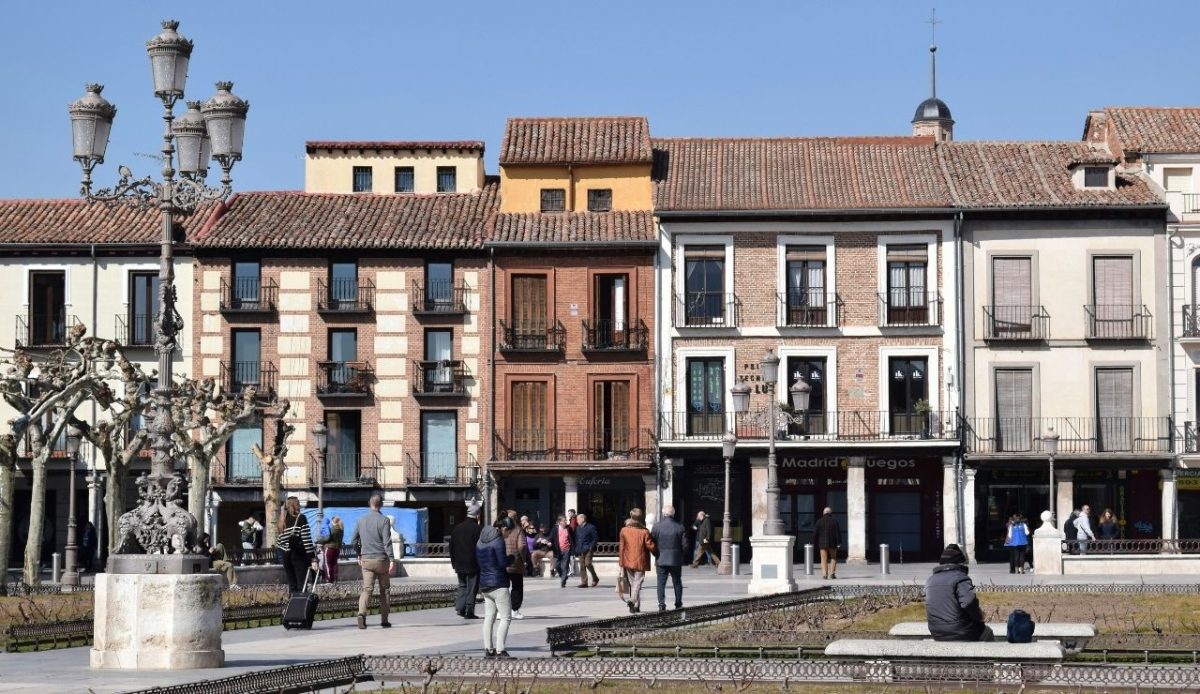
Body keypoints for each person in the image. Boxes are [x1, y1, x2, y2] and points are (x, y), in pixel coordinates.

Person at [925, 543, 992, 642]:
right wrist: (979, 616)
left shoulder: (930, 580)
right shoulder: (962, 578)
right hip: (960, 631)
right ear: (960, 563)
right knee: (988, 633)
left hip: (936, 631)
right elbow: (969, 602)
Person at [348, 493, 395, 629]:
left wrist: (359, 553)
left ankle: (361, 614)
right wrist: (391, 559)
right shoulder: (384, 520)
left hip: (367, 560)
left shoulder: (360, 520)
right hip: (381, 560)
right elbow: (387, 542)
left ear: (370, 504)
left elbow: (353, 540)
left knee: (367, 589)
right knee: (384, 590)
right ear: (381, 505)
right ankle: (384, 620)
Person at [476, 515, 514, 658]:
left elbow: (479, 561)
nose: (508, 535)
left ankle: (488, 649)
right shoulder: (498, 541)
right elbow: (502, 562)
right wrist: (512, 558)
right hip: (498, 583)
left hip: (485, 583)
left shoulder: (480, 540)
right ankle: (500, 650)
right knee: (505, 617)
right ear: (503, 528)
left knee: (489, 617)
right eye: (508, 532)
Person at [276, 496, 318, 594]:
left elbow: (279, 540)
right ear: (296, 505)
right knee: (301, 585)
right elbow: (306, 540)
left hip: (286, 556)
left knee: (292, 585)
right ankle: (301, 607)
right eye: (298, 503)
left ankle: (292, 607)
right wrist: (313, 558)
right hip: (298, 555)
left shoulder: (282, 520)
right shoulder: (301, 518)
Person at [618, 508, 656, 614]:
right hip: (640, 560)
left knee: (633, 584)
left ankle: (636, 606)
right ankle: (633, 600)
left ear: (631, 517)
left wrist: (621, 562)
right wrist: (657, 552)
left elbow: (621, 547)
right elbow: (650, 545)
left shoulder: (624, 530)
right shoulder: (644, 531)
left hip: (627, 560)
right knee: (637, 582)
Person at [450, 503, 483, 619]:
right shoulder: (478, 529)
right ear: (477, 515)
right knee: (471, 588)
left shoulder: (457, 528)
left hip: (459, 564)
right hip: (473, 564)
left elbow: (451, 547)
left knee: (462, 586)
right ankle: (469, 611)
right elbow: (481, 547)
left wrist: (454, 563)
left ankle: (460, 608)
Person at [650, 504, 686, 611]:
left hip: (661, 558)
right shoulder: (680, 526)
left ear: (663, 513)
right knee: (677, 582)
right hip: (675, 559)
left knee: (661, 583)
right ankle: (678, 603)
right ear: (673, 514)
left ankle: (661, 604)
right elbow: (685, 545)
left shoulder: (656, 526)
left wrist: (656, 554)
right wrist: (681, 555)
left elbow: (652, 543)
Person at [503, 508, 529, 619]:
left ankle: (502, 610)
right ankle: (514, 609)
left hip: (502, 562)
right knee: (517, 587)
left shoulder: (501, 529)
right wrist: (524, 560)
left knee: (503, 587)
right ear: (515, 518)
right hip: (515, 563)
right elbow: (522, 546)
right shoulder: (518, 530)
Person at [812, 507, 841, 580]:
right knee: (833, 557)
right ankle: (832, 574)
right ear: (830, 513)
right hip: (832, 543)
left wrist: (813, 542)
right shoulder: (834, 521)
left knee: (823, 559)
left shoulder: (819, 521)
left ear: (823, 513)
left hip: (822, 544)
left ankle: (824, 574)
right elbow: (838, 533)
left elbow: (815, 533)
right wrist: (839, 543)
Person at [574, 512, 599, 587]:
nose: (577, 520)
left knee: (587, 564)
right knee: (582, 565)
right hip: (580, 549)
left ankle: (595, 578)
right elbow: (577, 538)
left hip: (588, 549)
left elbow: (595, 538)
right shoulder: (578, 528)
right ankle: (584, 582)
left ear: (583, 519)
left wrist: (590, 546)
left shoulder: (591, 527)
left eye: (578, 519)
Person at [552, 515, 574, 588]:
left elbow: (572, 538)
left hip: (566, 550)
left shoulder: (568, 528)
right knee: (556, 565)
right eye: (564, 520)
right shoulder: (555, 529)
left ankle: (563, 581)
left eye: (566, 520)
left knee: (565, 567)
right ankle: (563, 576)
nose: (566, 522)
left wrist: (573, 549)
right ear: (560, 522)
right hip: (557, 550)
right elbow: (551, 537)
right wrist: (548, 541)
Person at [322, 516, 344, 583]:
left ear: (332, 521)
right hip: (337, 549)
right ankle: (334, 579)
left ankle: (328, 579)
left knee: (327, 563)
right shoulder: (341, 529)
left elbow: (326, 538)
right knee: (334, 563)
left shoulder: (332, 529)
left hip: (329, 548)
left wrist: (321, 540)